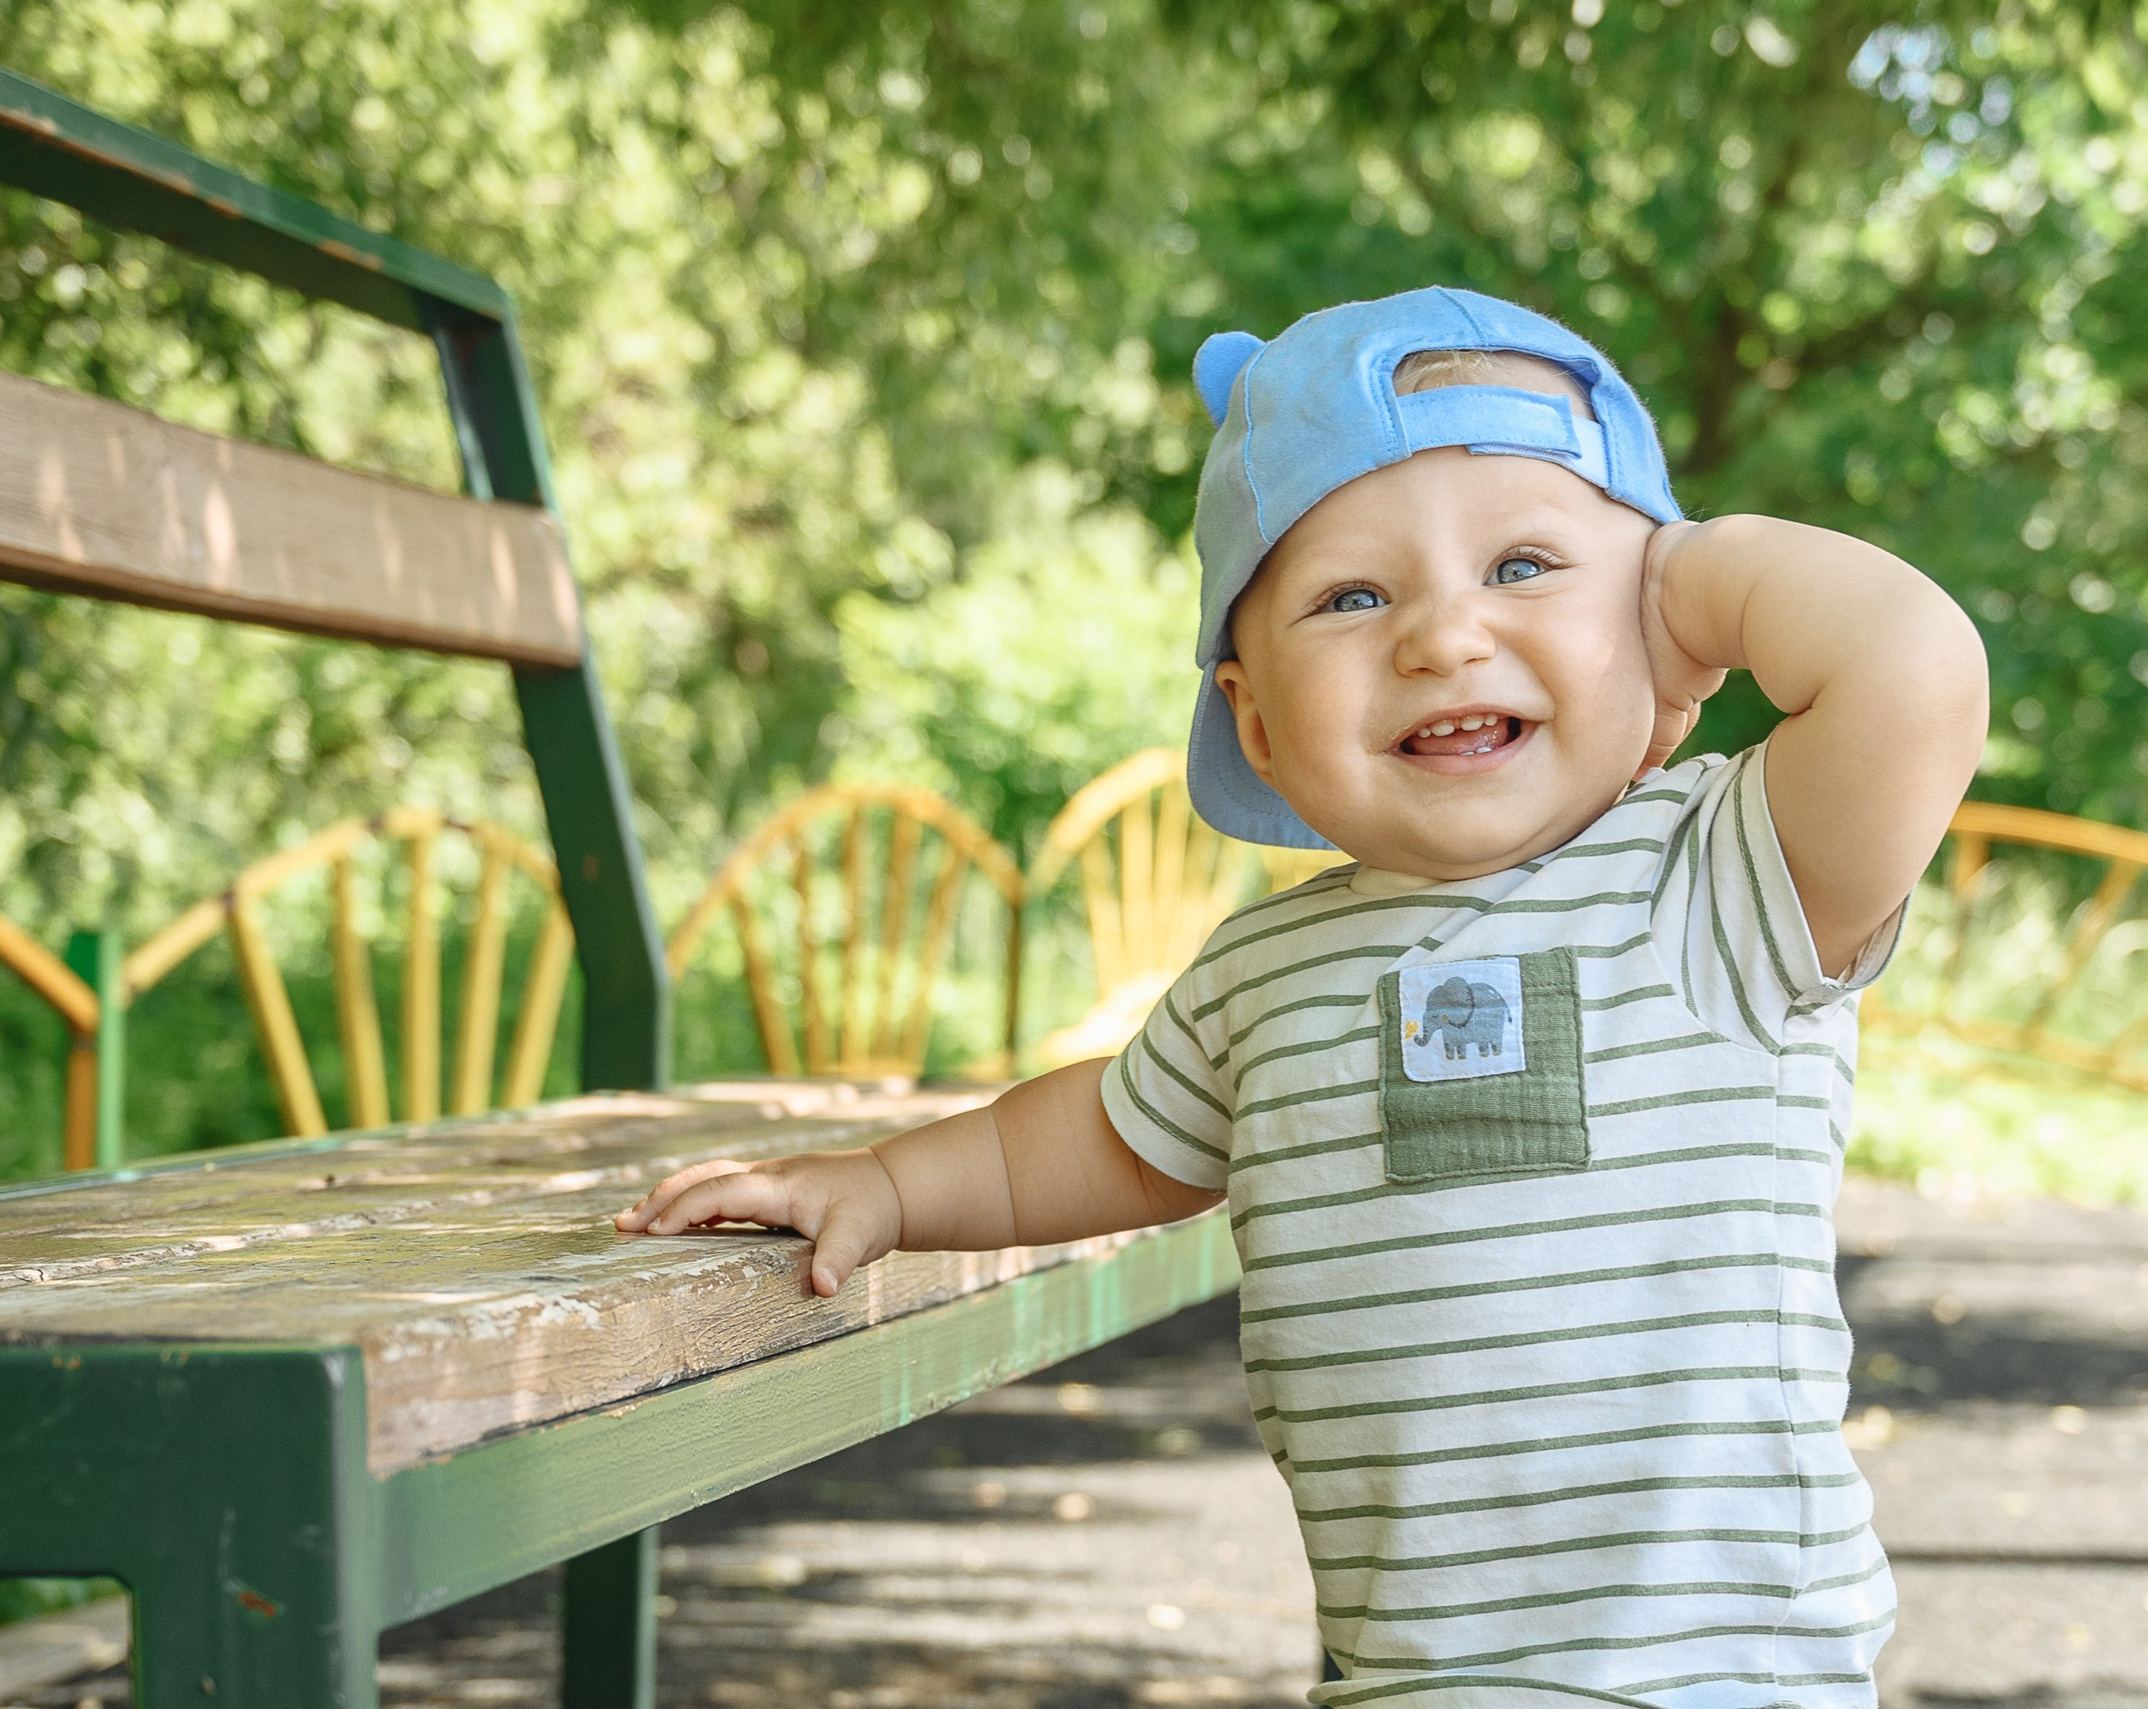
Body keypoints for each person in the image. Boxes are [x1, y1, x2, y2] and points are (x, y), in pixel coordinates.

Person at [618, 287, 1988, 1707]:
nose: (1443, 636)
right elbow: (1088, 1140)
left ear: (1662, 634)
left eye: (1526, 565)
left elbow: (1917, 670)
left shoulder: (1720, 878)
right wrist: (887, 1186)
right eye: (1352, 596)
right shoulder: (1263, 974)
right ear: (1256, 721)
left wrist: (1693, 574)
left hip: (1719, 1674)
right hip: (1414, 1679)